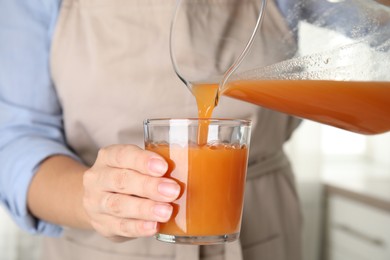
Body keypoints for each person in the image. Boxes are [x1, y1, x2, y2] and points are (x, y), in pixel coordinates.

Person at [0, 0, 303, 259]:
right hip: (98, 246)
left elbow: (346, 17)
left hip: (263, 228)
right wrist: (93, 200)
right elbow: (16, 139)